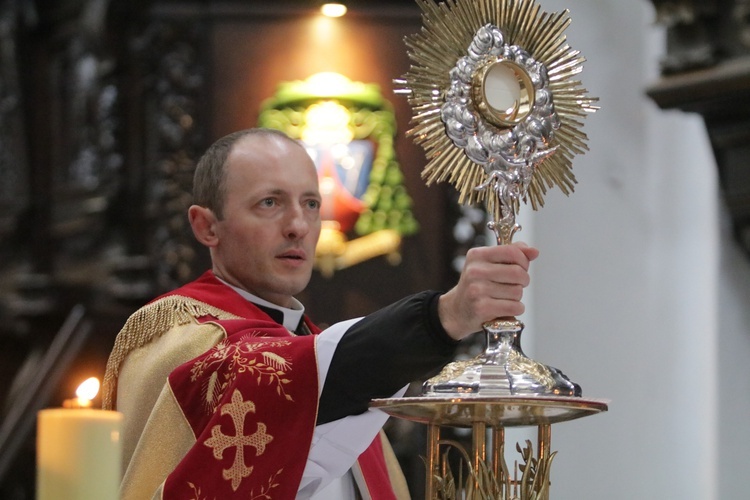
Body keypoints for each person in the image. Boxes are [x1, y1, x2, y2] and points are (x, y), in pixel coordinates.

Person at [101, 128, 539, 499]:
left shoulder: (309, 343)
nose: (299, 225)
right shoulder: (176, 336)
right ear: (206, 226)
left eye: (311, 203)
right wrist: (445, 316)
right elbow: (285, 378)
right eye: (269, 203)